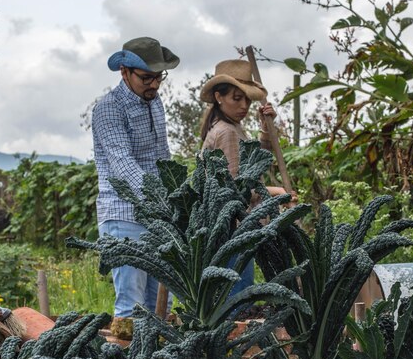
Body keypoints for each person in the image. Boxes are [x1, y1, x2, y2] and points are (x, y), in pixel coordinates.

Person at [91, 37, 179, 320]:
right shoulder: (109, 108)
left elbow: (162, 158)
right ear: (124, 72)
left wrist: (176, 197)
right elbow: (123, 167)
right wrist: (161, 200)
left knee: (159, 308)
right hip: (124, 215)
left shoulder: (155, 102)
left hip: (156, 216)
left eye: (158, 77)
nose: (153, 84)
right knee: (132, 307)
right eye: (146, 78)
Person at [199, 59, 296, 296]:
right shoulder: (226, 133)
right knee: (237, 302)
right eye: (236, 98)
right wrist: (277, 194)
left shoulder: (228, 127)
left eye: (247, 99)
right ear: (219, 97)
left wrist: (265, 129)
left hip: (229, 230)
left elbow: (253, 166)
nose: (244, 105)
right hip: (232, 231)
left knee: (234, 302)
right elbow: (237, 192)